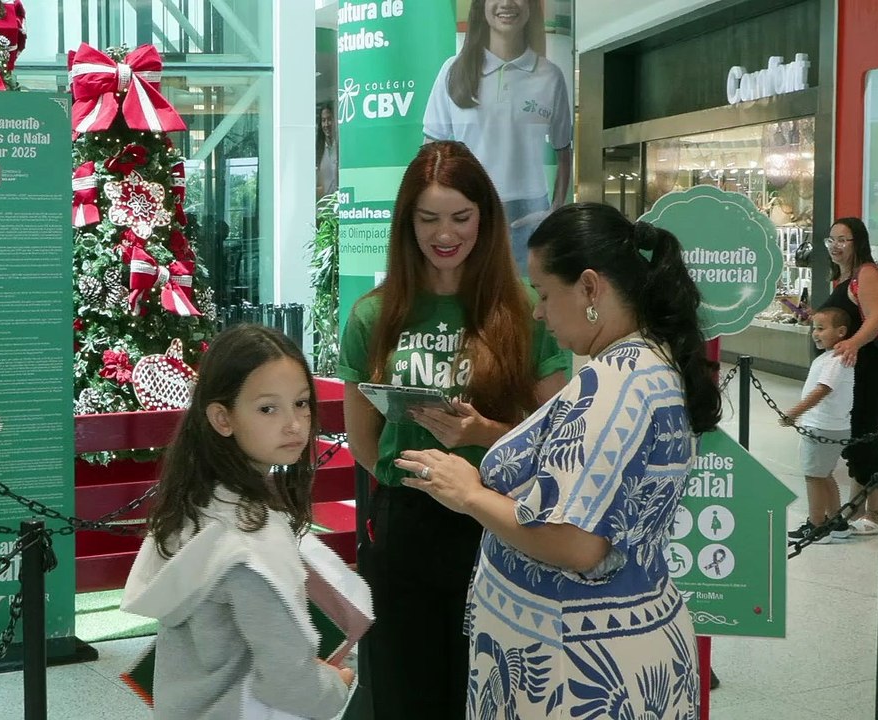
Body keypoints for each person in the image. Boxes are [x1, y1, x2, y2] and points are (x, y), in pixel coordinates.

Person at [394, 202, 721, 717]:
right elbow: (590, 467)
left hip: (580, 670)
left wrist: (470, 494)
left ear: (590, 288)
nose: (539, 311)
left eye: (545, 293)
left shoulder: (615, 385)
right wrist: (486, 432)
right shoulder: (645, 363)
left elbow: (577, 543)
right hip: (607, 645)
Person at [338, 141, 570, 719]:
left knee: (489, 687)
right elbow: (364, 442)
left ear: (484, 219)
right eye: (429, 218)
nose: (446, 234)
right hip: (405, 523)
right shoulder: (374, 315)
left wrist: (484, 434)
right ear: (407, 222)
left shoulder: (522, 309)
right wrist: (412, 481)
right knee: (404, 687)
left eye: (461, 217)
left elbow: (560, 434)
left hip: (498, 519)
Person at [122, 324, 360, 720]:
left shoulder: (196, 502)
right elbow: (290, 682)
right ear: (222, 417)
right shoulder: (252, 540)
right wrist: (336, 685)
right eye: (268, 408)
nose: (295, 424)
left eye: (301, 403)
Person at [423, 0, 573, 272]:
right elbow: (430, 154)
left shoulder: (550, 76)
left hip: (529, 214)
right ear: (481, 6)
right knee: (468, 304)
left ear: (530, 7)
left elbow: (564, 149)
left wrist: (554, 209)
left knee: (526, 305)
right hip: (465, 209)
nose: (506, 3)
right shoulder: (453, 71)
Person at [820, 217, 878, 535]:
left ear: (858, 242)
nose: (835, 246)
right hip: (849, 374)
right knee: (854, 439)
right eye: (831, 240)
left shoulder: (867, 274)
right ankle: (857, 508)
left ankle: (876, 513)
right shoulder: (844, 279)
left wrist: (852, 342)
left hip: (870, 371)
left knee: (864, 437)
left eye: (843, 240)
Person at [782, 307, 855, 543]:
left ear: (841, 332)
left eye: (822, 328)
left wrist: (795, 412)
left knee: (813, 476)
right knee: (824, 475)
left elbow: (823, 389)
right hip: (832, 426)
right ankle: (836, 521)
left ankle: (816, 525)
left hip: (822, 426)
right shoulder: (831, 357)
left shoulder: (835, 360)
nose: (816, 333)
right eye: (815, 328)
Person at [316, 102, 338, 200]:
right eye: (323, 120)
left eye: (329, 119)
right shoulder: (317, 149)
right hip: (324, 208)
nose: (326, 124)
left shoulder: (340, 146)